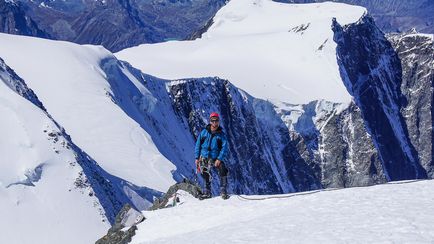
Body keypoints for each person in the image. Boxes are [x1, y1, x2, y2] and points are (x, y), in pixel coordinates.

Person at [195, 112, 229, 199]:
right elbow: (198, 145)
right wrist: (197, 157)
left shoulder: (221, 135)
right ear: (210, 121)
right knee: (205, 172)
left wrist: (219, 159)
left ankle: (223, 190)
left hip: (215, 158)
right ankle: (207, 192)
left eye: (216, 121)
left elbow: (224, 148)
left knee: (222, 169)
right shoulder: (204, 132)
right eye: (212, 121)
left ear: (218, 121)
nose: (214, 123)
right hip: (204, 157)